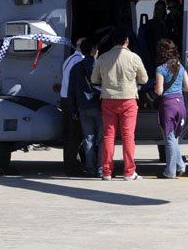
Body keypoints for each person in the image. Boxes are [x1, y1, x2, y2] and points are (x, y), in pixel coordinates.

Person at [91, 28, 149, 180]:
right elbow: (144, 79)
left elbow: (94, 79)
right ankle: (129, 172)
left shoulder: (103, 57)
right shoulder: (134, 57)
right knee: (128, 136)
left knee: (108, 136)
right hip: (128, 99)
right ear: (127, 41)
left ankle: (106, 171)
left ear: (112, 42)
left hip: (108, 99)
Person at [154, 38, 188, 179]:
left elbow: (158, 91)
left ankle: (170, 171)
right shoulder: (181, 67)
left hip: (168, 105)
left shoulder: (160, 69)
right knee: (174, 137)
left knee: (169, 138)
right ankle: (180, 165)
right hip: (180, 104)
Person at [66, 38, 101, 177]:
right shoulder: (99, 66)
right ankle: (101, 168)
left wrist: (73, 110)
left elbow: (71, 92)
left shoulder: (75, 68)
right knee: (103, 139)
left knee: (88, 139)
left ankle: (90, 168)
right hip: (100, 107)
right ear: (94, 50)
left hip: (83, 108)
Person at [59, 37, 86, 176]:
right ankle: (73, 167)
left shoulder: (69, 59)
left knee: (69, 136)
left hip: (64, 99)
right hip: (72, 100)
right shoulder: (79, 60)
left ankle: (70, 164)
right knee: (75, 136)